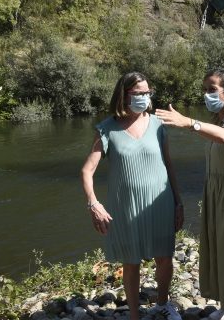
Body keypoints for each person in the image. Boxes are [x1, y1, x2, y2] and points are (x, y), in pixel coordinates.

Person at [156, 69, 224, 320]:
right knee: (220, 248)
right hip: (217, 193)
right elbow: (218, 133)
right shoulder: (219, 121)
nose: (207, 94)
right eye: (204, 89)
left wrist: (189, 122)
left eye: (212, 89)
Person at [81, 72, 184, 320]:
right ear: (124, 95)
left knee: (164, 256)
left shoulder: (158, 125)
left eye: (147, 92)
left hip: (160, 202)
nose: (144, 97)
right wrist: (93, 203)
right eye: (138, 93)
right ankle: (135, 315)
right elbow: (86, 171)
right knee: (131, 262)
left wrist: (179, 202)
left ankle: (163, 303)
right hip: (125, 207)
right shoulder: (107, 128)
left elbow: (169, 165)